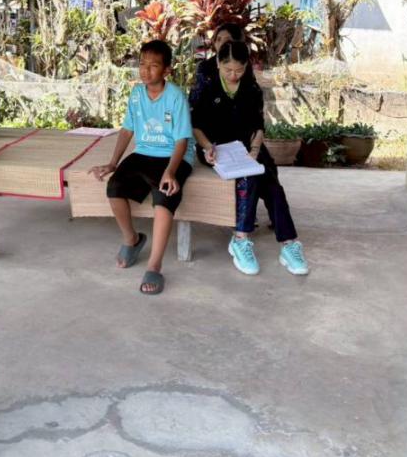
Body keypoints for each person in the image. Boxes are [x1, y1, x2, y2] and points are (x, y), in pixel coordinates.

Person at [190, 40, 308, 276]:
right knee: (249, 178)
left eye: (239, 70)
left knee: (273, 186)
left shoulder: (251, 90)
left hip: (247, 148)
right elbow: (196, 126)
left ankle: (289, 245)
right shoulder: (208, 87)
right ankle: (240, 239)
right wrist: (207, 147)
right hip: (216, 149)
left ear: (246, 66)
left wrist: (254, 150)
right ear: (218, 63)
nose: (234, 75)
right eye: (228, 70)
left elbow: (258, 126)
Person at [89, 40, 196, 295]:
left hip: (174, 155)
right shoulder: (137, 94)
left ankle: (155, 265)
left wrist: (171, 171)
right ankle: (132, 240)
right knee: (114, 188)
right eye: (142, 64)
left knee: (164, 196)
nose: (146, 70)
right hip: (144, 152)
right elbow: (127, 130)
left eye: (153, 66)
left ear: (167, 70)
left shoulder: (176, 96)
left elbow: (182, 140)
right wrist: (113, 163)